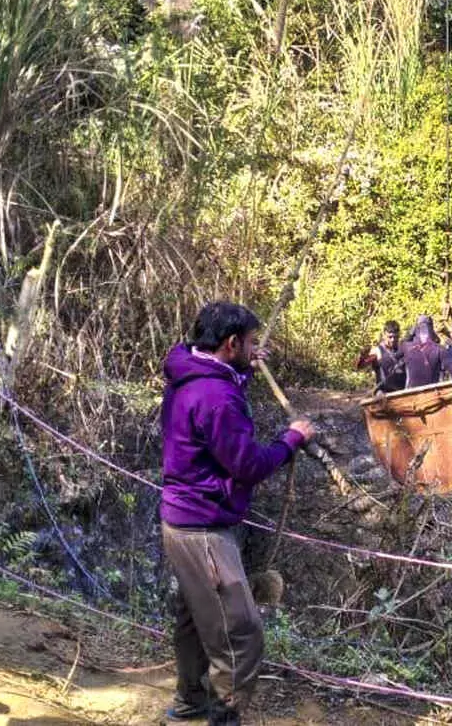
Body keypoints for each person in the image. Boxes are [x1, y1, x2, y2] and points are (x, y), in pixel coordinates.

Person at [159, 302, 316, 725]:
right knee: (240, 635)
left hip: (181, 519)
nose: (253, 349)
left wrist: (244, 369)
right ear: (231, 343)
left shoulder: (190, 370)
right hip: (204, 528)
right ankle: (221, 718)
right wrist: (291, 440)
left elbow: (219, 400)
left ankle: (190, 703)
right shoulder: (215, 397)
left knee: (195, 618)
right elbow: (247, 464)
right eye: (249, 343)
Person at [356, 320, 406, 393]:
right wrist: (362, 357)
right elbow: (360, 366)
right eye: (390, 337)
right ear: (384, 335)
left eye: (396, 337)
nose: (393, 340)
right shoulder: (377, 351)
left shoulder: (403, 349)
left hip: (402, 390)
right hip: (384, 392)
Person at [403, 315, 447, 389]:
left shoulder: (438, 348)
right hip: (413, 391)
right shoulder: (409, 347)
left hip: (432, 390)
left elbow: (442, 373)